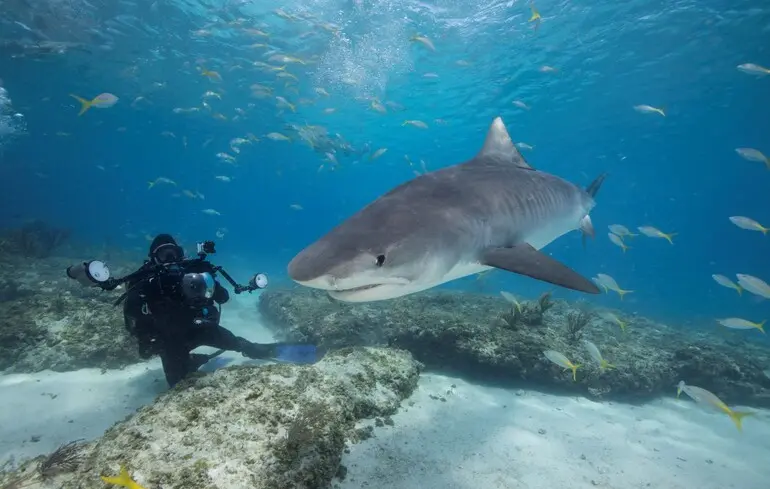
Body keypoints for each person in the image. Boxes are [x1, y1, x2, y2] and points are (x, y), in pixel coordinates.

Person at [118, 234, 313, 387]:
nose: (170, 259)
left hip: (199, 329)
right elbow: (132, 316)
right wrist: (148, 336)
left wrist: (207, 279)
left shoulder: (193, 272)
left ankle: (258, 349)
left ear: (180, 254)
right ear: (153, 259)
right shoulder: (144, 281)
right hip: (168, 340)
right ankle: (193, 361)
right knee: (178, 384)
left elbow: (223, 297)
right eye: (163, 255)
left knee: (238, 343)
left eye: (173, 253)